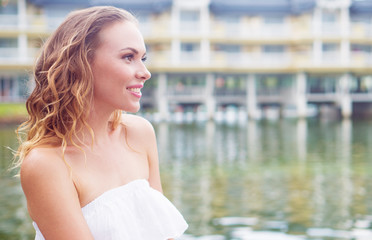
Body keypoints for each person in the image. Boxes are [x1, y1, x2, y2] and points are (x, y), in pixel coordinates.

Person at [15, 6, 188, 240]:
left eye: (142, 58)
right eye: (129, 57)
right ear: (82, 64)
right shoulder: (47, 164)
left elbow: (164, 232)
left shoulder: (140, 133)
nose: (145, 72)